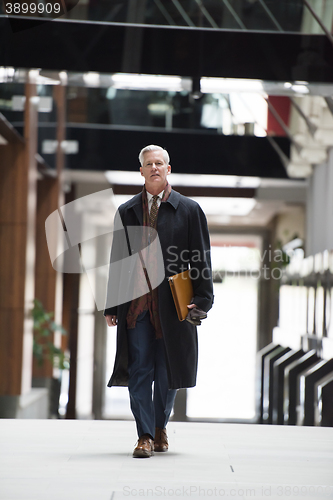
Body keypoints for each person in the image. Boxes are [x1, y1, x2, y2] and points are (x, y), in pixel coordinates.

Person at [104, 145, 213, 458]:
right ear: (141, 171)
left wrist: (203, 299)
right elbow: (117, 260)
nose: (154, 168)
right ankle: (145, 435)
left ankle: (161, 424)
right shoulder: (126, 211)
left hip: (173, 304)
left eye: (159, 163)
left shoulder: (189, 210)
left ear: (168, 169)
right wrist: (113, 305)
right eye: (148, 163)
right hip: (137, 304)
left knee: (167, 371)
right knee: (139, 368)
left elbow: (200, 257)